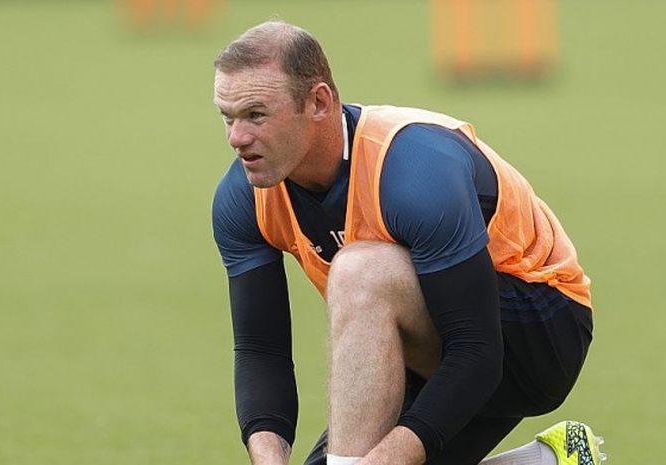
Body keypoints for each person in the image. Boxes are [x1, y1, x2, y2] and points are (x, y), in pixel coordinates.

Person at [211, 20, 605, 465]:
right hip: (426, 349)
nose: (236, 138)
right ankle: (551, 460)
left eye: (256, 115)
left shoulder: (415, 169)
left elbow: (477, 350)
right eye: (228, 117)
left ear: (318, 102)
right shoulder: (244, 197)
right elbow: (261, 351)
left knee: (361, 270)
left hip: (538, 333)